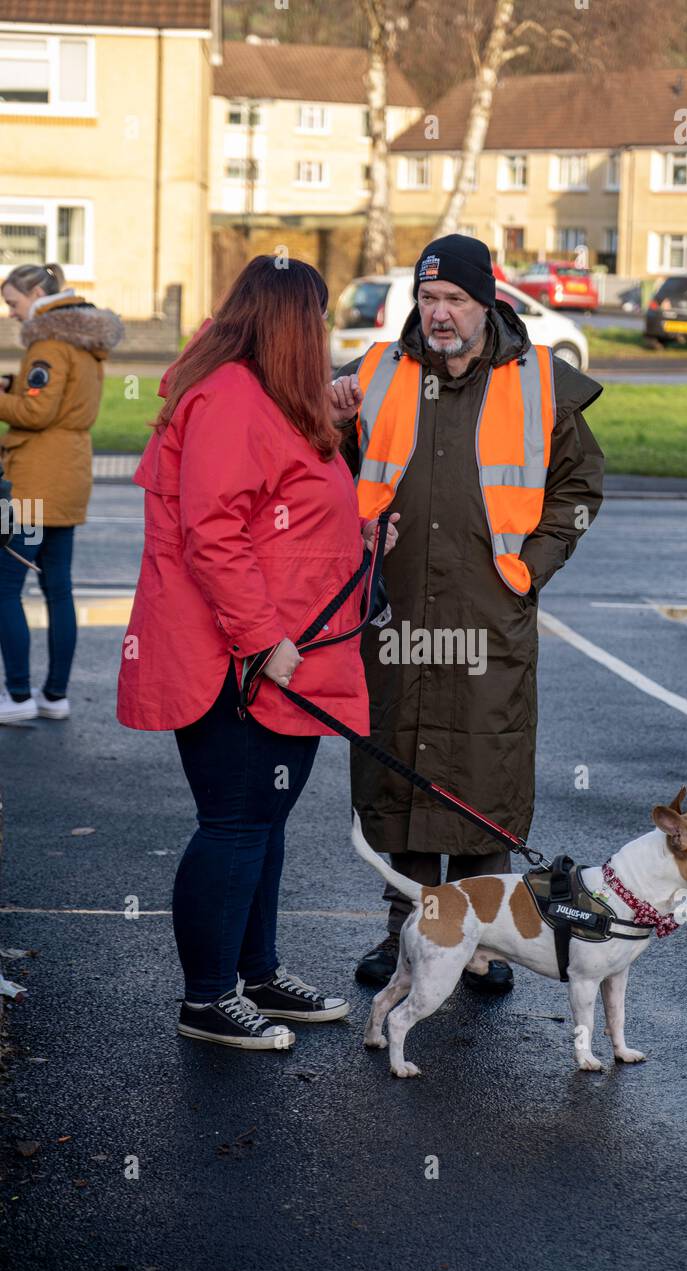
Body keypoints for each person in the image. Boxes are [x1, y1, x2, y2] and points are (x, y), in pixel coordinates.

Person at [116, 256, 398, 1050]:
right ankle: (207, 998)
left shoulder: (269, 395)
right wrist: (262, 640)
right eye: (315, 317)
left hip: (281, 652)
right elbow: (213, 533)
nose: (322, 333)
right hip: (235, 663)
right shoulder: (231, 397)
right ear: (287, 323)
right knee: (236, 822)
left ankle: (258, 972)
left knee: (263, 822)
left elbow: (285, 505)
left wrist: (350, 494)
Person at [330, 234, 605, 993]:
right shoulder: (377, 371)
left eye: (454, 298)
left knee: (485, 769)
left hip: (492, 614)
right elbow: (325, 463)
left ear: (488, 303)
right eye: (428, 298)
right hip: (396, 610)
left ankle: (483, 941)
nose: (439, 313)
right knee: (398, 763)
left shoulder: (542, 380)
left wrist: (531, 569)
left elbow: (579, 490)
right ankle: (405, 934)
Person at [0, 263, 122, 723]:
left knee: (6, 589)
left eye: (13, 302)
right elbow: (58, 401)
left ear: (35, 292)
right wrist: (13, 388)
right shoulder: (86, 342)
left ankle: (16, 695)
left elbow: (37, 412)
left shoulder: (47, 343)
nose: (11, 314)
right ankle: (54, 695)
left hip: (32, 482)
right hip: (70, 476)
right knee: (58, 590)